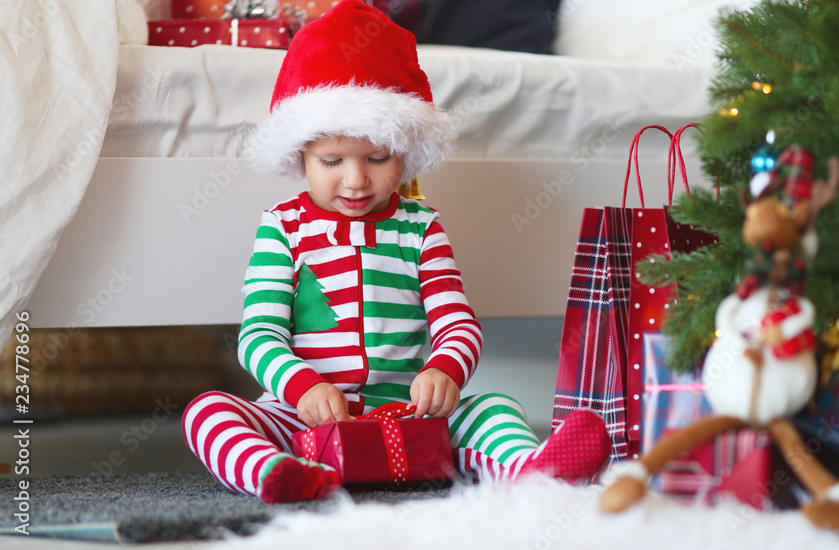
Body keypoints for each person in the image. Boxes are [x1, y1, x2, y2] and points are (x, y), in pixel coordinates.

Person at [182, 0, 611, 503]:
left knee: (492, 407)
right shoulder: (283, 228)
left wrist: (444, 370)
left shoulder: (421, 228)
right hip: (299, 416)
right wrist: (300, 387)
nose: (356, 179)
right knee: (207, 412)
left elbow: (457, 323)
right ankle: (275, 472)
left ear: (405, 151)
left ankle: (531, 469)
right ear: (300, 153)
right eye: (332, 160)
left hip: (409, 417)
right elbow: (258, 334)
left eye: (378, 158)